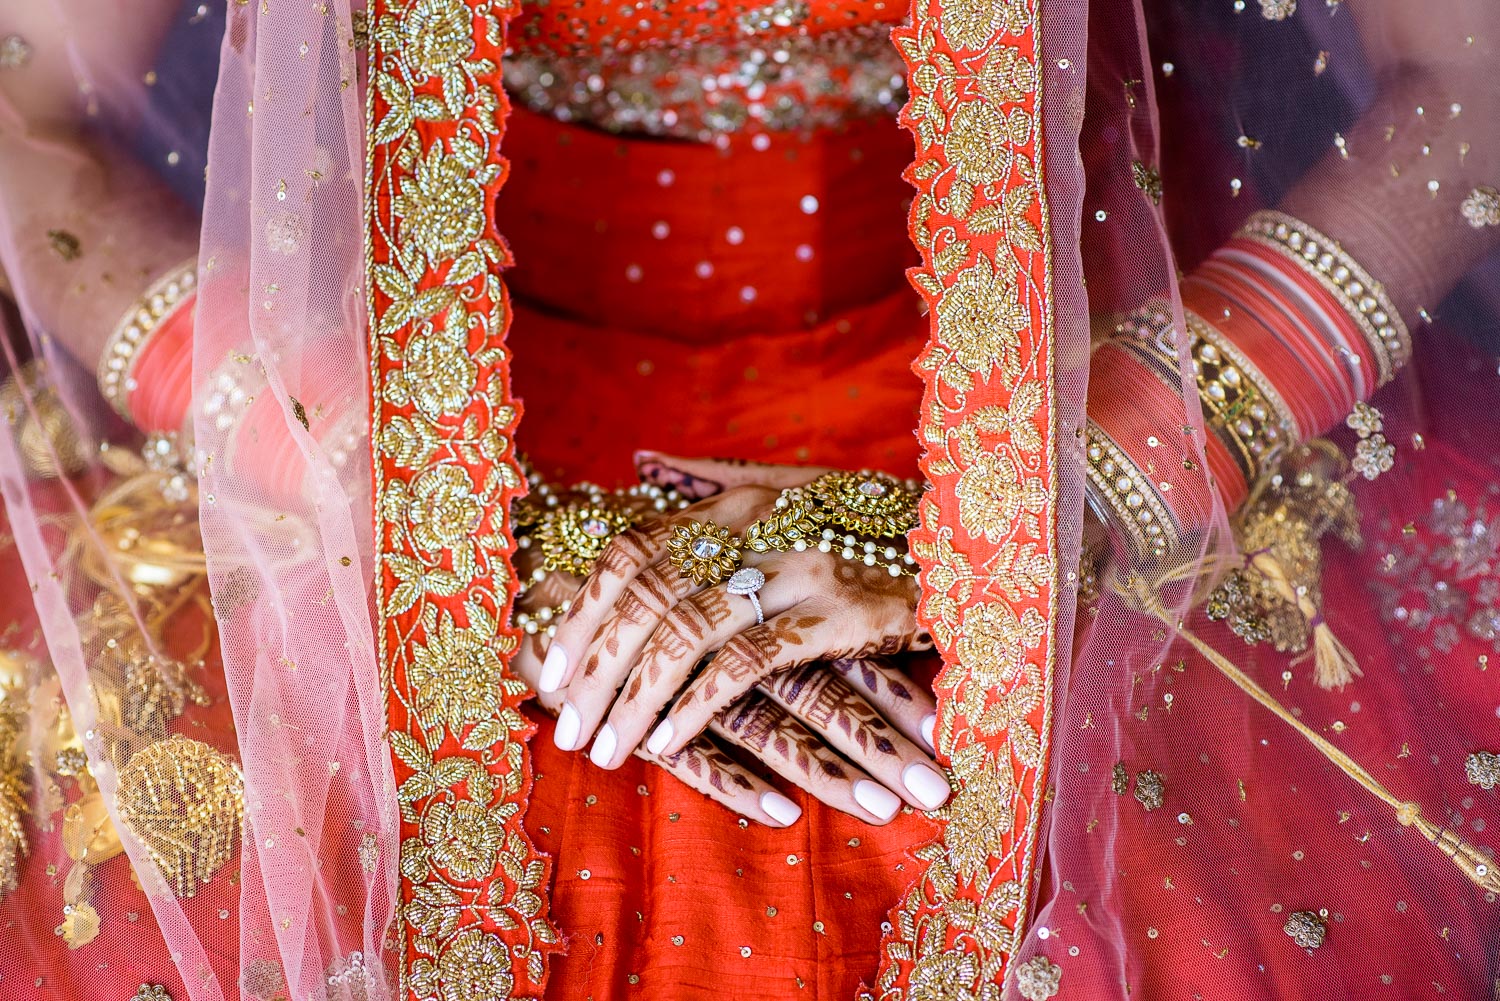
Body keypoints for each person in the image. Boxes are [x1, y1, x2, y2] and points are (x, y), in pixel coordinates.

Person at [0, 0, 1497, 999]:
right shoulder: (405, 468)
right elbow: (27, 115)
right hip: (397, 386)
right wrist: (431, 524)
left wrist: (1052, 505)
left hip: (1043, 361)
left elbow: (1474, 84)